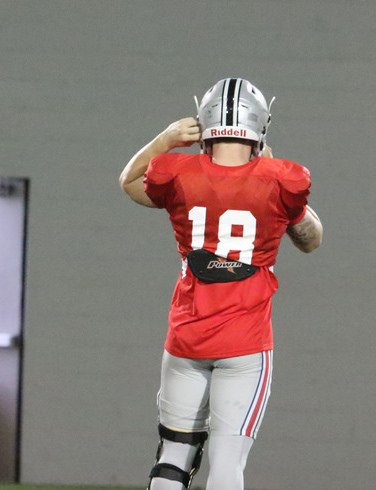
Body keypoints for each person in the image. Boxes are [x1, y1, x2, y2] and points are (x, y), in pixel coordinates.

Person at [118, 78, 323, 490]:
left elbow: (128, 181)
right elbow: (311, 239)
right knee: (227, 463)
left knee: (174, 456)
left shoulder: (176, 174)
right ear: (260, 125)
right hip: (245, 342)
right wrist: (277, 192)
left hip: (186, 336)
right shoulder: (282, 179)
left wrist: (166, 138)